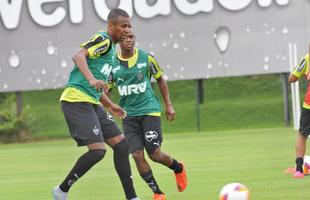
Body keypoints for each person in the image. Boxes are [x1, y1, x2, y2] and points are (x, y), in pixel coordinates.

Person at [52, 8, 140, 200]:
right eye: (122, 26)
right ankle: (61, 190)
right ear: (111, 26)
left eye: (129, 26)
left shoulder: (112, 52)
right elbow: (78, 55)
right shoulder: (104, 40)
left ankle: (132, 197)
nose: (127, 30)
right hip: (76, 100)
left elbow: (97, 85)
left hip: (92, 102)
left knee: (122, 145)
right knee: (98, 151)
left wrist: (109, 104)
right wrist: (92, 79)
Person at [107, 29, 187, 200]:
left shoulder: (146, 58)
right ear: (118, 42)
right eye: (124, 38)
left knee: (155, 154)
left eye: (131, 37)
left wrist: (168, 105)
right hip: (128, 116)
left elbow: (160, 79)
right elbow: (107, 91)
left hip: (149, 111)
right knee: (136, 155)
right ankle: (158, 193)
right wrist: (109, 107)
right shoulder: (112, 65)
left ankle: (178, 168)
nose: (129, 40)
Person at [288, 53, 310, 178]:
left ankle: (298, 169)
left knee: (302, 135)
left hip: (308, 104)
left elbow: (291, 78)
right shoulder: (307, 59)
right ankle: (299, 167)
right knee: (302, 134)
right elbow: (292, 78)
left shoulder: (307, 58)